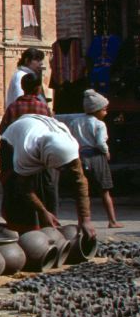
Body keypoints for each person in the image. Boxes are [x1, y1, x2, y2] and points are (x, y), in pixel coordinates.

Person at [0, 113, 94, 238]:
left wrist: (85, 219)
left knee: (48, 184)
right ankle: (24, 230)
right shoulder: (26, 151)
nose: (62, 171)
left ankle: (49, 225)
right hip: (13, 140)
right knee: (16, 192)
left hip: (43, 136)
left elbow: (80, 182)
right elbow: (24, 187)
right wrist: (42, 211)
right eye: (60, 167)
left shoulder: (69, 148)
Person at [58, 89, 122, 228]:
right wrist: (106, 151)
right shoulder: (99, 124)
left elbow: (68, 130)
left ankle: (83, 221)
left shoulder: (76, 122)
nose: (106, 112)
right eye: (104, 110)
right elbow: (100, 142)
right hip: (96, 156)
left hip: (80, 156)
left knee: (82, 191)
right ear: (97, 110)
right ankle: (112, 221)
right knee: (104, 190)